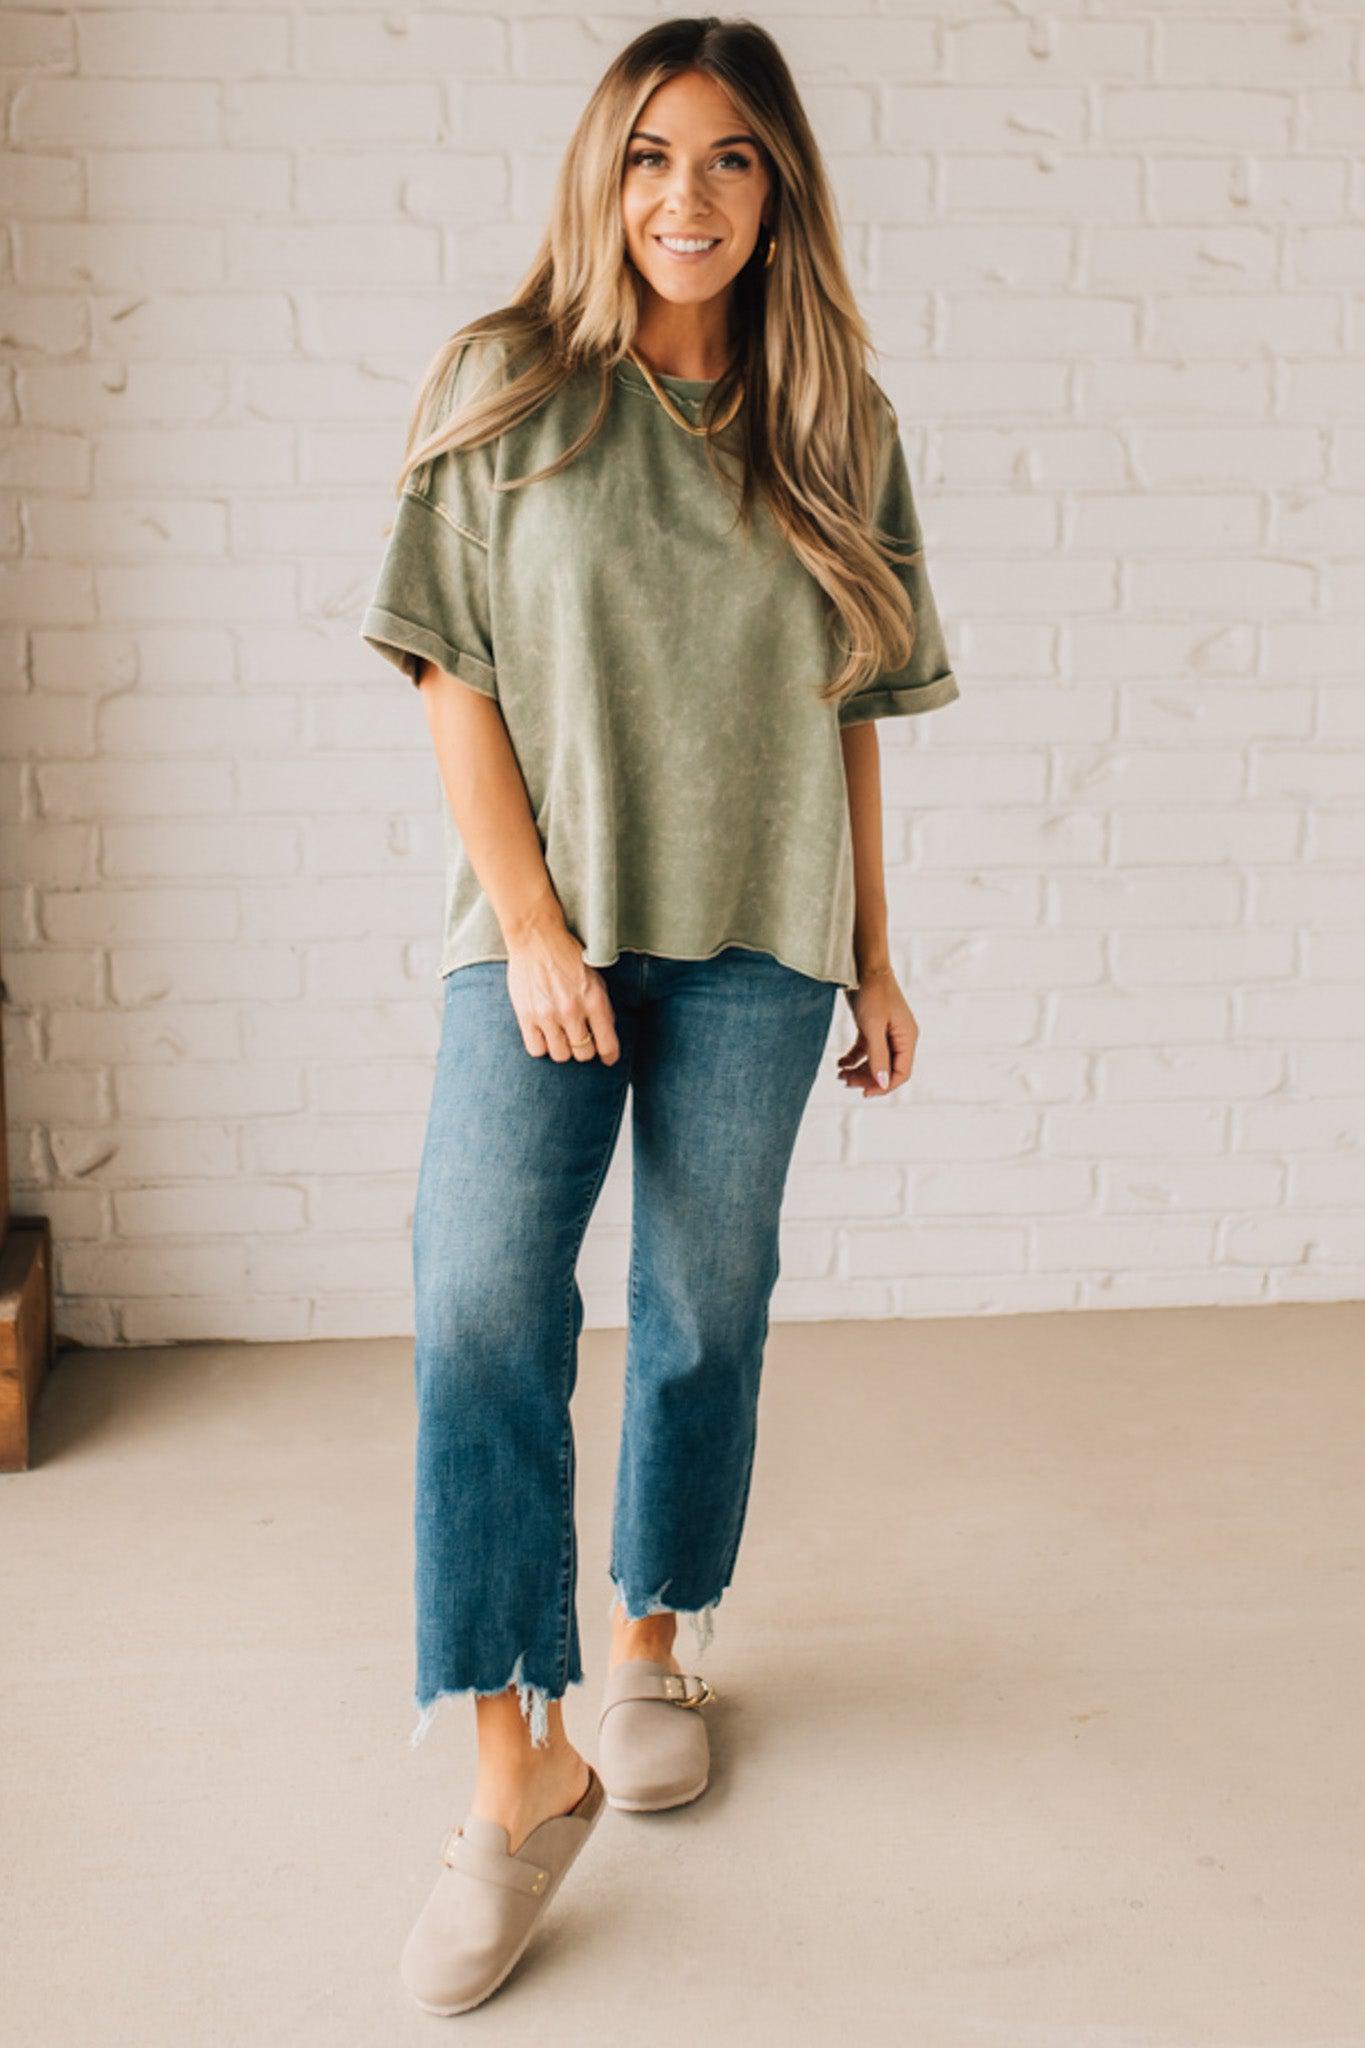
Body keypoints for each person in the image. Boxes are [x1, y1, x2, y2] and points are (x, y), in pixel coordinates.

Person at [359, 14, 960, 2016]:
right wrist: (526, 923)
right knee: (476, 1303)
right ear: (595, 176)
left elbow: (859, 711)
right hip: (538, 934)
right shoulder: (502, 386)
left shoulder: (836, 421)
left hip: (755, 942)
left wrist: (869, 948)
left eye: (722, 162)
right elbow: (446, 665)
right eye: (644, 157)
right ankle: (515, 1764)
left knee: (705, 1298)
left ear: (775, 190)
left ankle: (652, 1641)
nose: (678, 201)